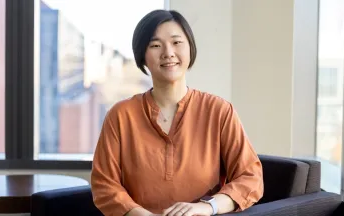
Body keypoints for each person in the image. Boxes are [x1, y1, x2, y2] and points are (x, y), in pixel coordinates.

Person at [91, 9, 264, 216]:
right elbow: (104, 184)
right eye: (155, 45)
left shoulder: (219, 111)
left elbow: (251, 178)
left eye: (176, 42)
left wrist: (207, 206)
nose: (168, 53)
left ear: (190, 48)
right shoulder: (120, 116)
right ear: (142, 56)